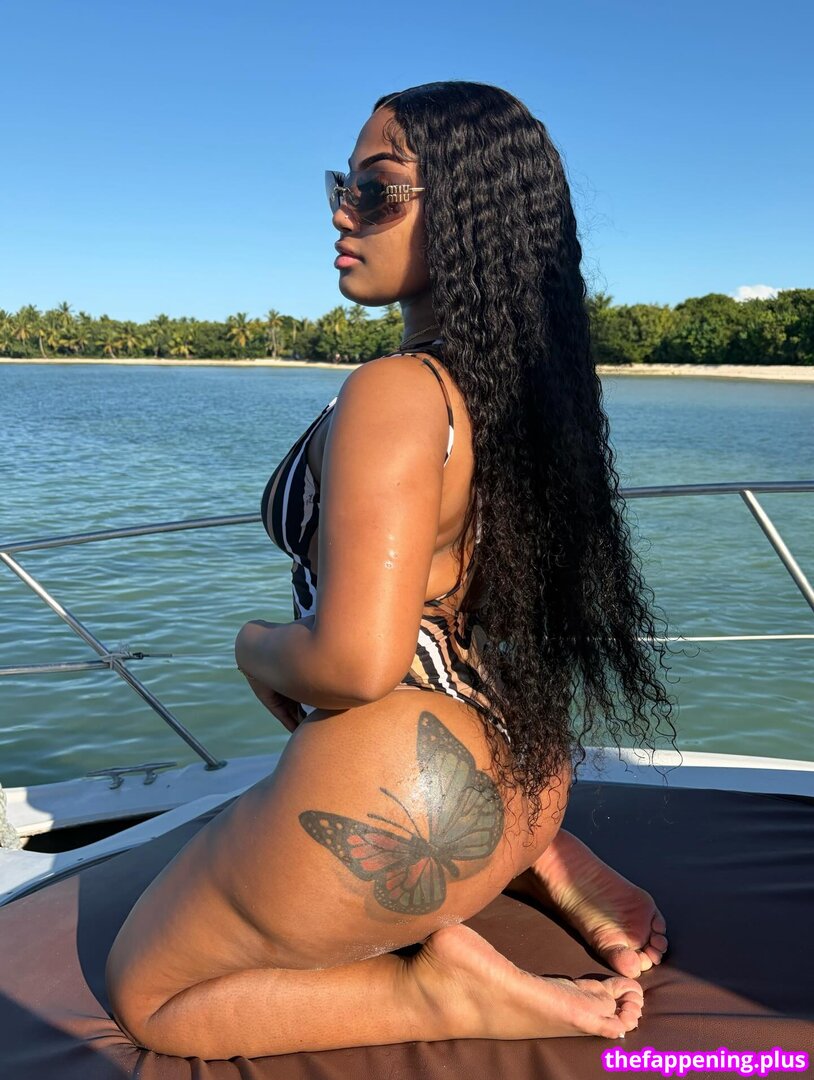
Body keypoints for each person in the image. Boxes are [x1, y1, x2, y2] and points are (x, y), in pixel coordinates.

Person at [105, 81, 673, 1060]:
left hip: (406, 785)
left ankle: (435, 993)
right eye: (343, 185)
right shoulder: (512, 393)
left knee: (153, 994)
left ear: (467, 210)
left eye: (375, 191)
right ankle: (544, 857)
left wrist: (253, 646)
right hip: (522, 777)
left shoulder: (396, 393)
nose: (341, 213)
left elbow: (357, 664)